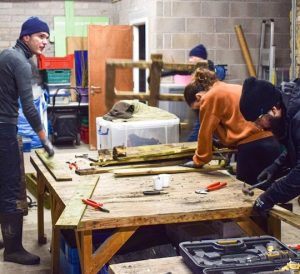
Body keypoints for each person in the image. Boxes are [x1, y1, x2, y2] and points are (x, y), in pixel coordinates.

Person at [0, 16, 54, 265]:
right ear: (26, 37)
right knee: (12, 187)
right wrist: (45, 140)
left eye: (47, 37)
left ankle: (4, 238)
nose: (46, 41)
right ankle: (13, 249)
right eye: (41, 36)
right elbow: (30, 108)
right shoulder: (20, 62)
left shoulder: (6, 55)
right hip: (3, 129)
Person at [183, 68, 282, 186]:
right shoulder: (232, 88)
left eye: (198, 108)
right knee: (269, 192)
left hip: (252, 149)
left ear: (199, 97)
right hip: (271, 143)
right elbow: (239, 122)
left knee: (248, 196)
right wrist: (223, 142)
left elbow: (205, 133)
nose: (200, 111)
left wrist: (199, 160)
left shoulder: (209, 97)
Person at [239, 77, 300, 215]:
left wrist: (269, 197)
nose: (259, 127)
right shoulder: (288, 112)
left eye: (259, 120)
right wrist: (277, 167)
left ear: (273, 109)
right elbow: (296, 147)